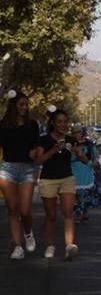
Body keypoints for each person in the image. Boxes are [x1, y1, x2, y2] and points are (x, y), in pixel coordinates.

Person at [34, 108, 86, 259]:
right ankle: (50, 245)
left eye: (65, 122)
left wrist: (78, 152)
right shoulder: (44, 140)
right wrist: (53, 150)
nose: (63, 125)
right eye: (59, 122)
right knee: (50, 215)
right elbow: (38, 160)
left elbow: (85, 161)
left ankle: (69, 245)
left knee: (68, 212)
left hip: (67, 178)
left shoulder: (71, 140)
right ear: (53, 123)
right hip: (48, 179)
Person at [0, 90, 40, 259]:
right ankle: (18, 247)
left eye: (26, 104)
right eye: (21, 104)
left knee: (25, 210)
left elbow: (37, 146)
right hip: (7, 169)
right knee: (12, 209)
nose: (25, 107)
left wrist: (35, 153)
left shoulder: (32, 124)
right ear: (13, 105)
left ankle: (28, 232)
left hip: (27, 170)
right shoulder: (3, 125)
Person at [71, 126, 101, 222]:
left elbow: (96, 154)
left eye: (78, 132)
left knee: (85, 192)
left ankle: (84, 211)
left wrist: (95, 162)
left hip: (86, 169)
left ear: (82, 133)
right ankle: (78, 212)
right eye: (74, 132)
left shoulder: (89, 144)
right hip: (73, 169)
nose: (76, 134)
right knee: (75, 194)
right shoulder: (70, 144)